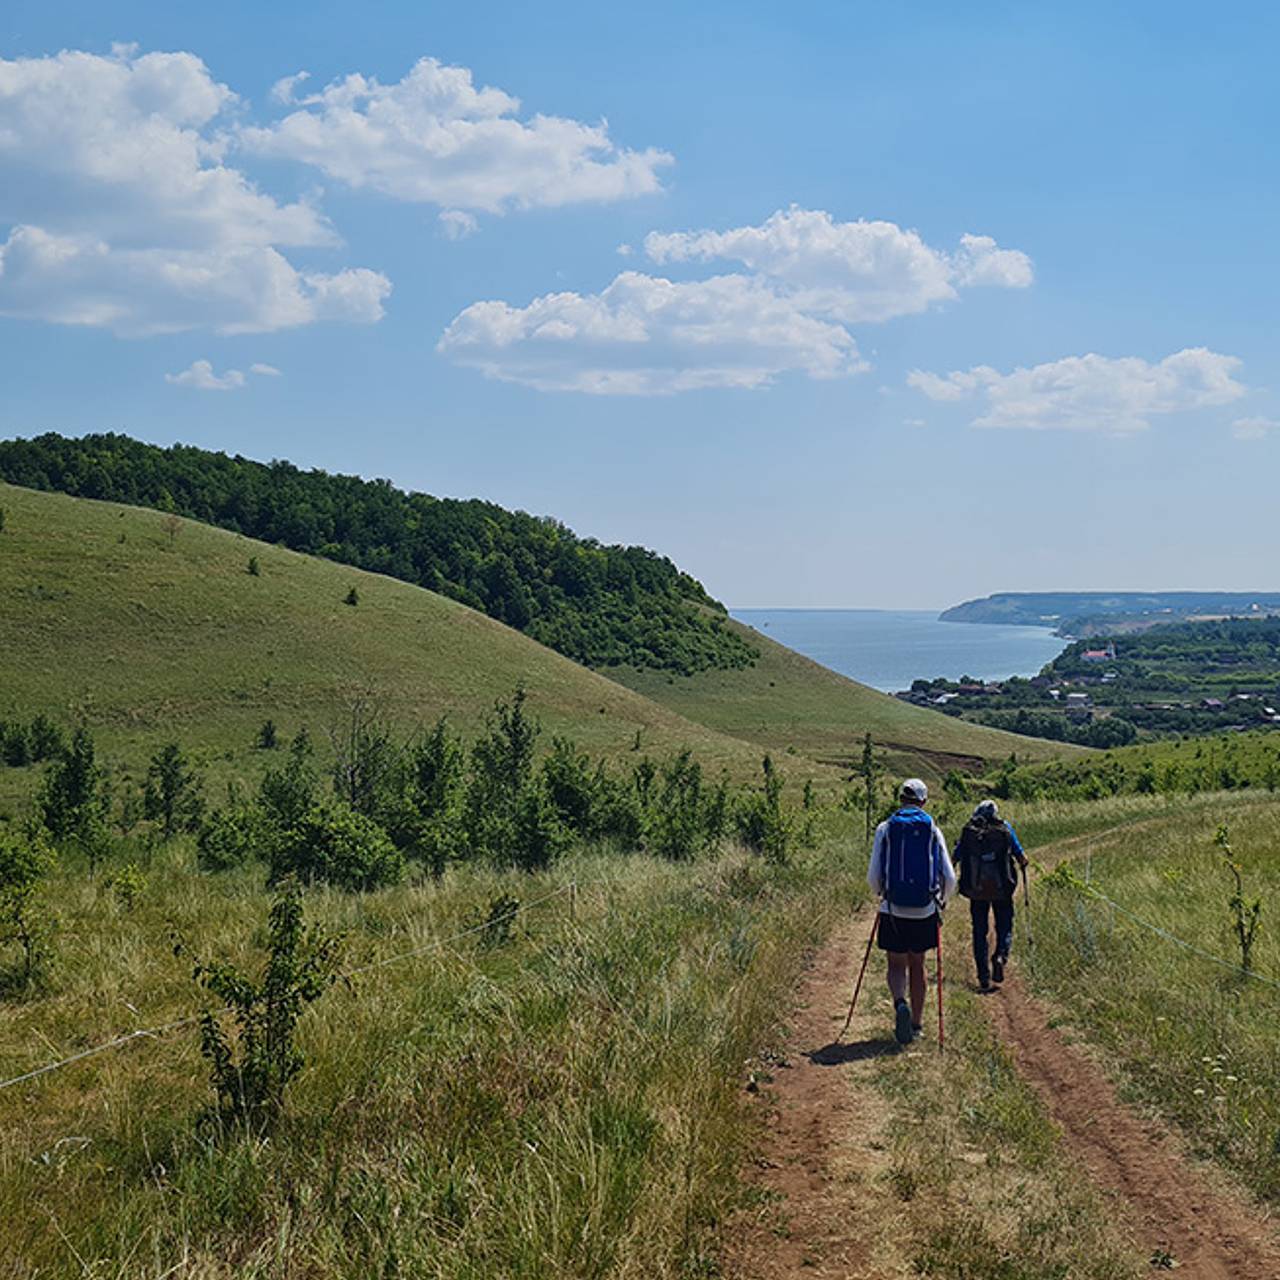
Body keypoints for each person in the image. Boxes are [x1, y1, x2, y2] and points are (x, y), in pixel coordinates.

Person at [868, 778, 957, 1045]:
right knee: (918, 964)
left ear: (900, 799)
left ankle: (899, 1003)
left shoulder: (885, 828)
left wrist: (881, 895)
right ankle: (917, 1025)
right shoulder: (932, 829)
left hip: (892, 908)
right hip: (924, 909)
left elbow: (873, 875)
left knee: (896, 963)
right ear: (924, 801)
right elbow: (949, 877)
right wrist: (942, 901)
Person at [952, 799, 1027, 991]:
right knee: (1005, 925)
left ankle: (983, 977)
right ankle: (1001, 955)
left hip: (976, 890)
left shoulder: (969, 831)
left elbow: (955, 857)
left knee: (979, 931)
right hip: (1001, 888)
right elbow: (1022, 858)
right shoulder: (1005, 828)